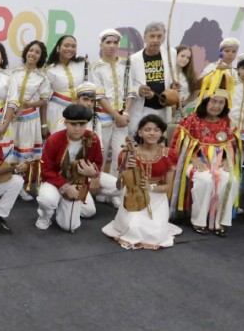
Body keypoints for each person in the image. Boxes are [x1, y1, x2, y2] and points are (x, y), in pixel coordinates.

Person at [35, 94, 121, 233]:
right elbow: (45, 170)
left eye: (81, 124)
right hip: (57, 179)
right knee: (48, 200)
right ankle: (45, 215)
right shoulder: (54, 140)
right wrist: (65, 187)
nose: (77, 128)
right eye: (73, 124)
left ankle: (66, 202)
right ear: (66, 123)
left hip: (81, 179)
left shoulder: (92, 138)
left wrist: (94, 175)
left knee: (111, 192)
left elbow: (98, 162)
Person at [101, 114, 182, 249]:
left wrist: (151, 187)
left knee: (156, 233)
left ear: (162, 133)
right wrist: (125, 169)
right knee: (133, 227)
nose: (152, 133)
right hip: (133, 196)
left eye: (156, 130)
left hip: (157, 198)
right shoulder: (127, 153)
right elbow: (119, 185)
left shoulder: (169, 154)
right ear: (140, 132)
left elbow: (168, 186)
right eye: (147, 129)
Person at [170, 89, 240, 236]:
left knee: (230, 179)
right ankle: (199, 220)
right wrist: (193, 158)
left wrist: (228, 159)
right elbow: (178, 146)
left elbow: (233, 146)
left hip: (219, 162)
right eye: (213, 101)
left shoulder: (227, 122)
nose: (217, 106)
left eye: (221, 102)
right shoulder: (192, 120)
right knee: (205, 179)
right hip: (195, 161)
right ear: (205, 102)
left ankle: (220, 221)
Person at [0, 40, 50, 199]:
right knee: (8, 153)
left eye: (37, 52)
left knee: (23, 155)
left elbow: (44, 101)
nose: (33, 54)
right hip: (10, 119)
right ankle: (3, 184)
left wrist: (30, 104)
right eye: (31, 50)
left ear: (41, 57)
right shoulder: (12, 72)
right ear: (26, 52)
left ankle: (19, 185)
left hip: (28, 120)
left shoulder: (42, 77)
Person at [90, 28, 132, 176]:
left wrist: (125, 113)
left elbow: (130, 92)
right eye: (108, 42)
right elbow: (99, 96)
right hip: (103, 119)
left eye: (115, 42)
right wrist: (117, 116)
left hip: (122, 119)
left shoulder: (126, 65)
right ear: (101, 45)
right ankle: (97, 188)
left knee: (121, 155)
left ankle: (115, 191)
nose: (112, 46)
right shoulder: (96, 67)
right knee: (99, 155)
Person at [126, 21, 179, 128]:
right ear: (144, 38)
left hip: (164, 108)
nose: (155, 40)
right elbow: (128, 86)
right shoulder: (133, 59)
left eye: (159, 36)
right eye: (152, 36)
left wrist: (175, 85)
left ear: (164, 38)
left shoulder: (171, 53)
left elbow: (173, 76)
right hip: (143, 109)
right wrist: (139, 90)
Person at [43, 34, 89, 137]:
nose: (70, 49)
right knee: (58, 142)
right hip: (57, 110)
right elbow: (43, 99)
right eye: (66, 45)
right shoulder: (49, 69)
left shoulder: (82, 64)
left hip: (78, 110)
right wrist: (43, 124)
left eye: (73, 46)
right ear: (58, 48)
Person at [173, 44, 202, 116]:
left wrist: (186, 102)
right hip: (168, 109)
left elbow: (196, 90)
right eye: (182, 56)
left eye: (188, 57)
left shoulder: (189, 74)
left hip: (184, 111)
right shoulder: (167, 72)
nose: (185, 59)